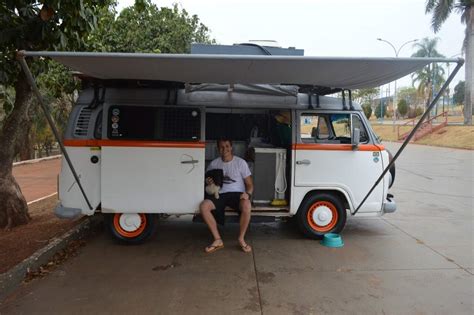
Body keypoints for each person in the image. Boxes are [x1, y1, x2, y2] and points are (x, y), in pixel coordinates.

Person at [200, 138, 254, 253]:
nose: (225, 149)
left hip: (237, 194)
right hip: (220, 194)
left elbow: (249, 184)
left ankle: (241, 238)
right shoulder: (214, 163)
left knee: (247, 205)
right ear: (218, 149)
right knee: (204, 206)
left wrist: (247, 194)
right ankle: (218, 239)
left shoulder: (240, 162)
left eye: (227, 146)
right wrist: (209, 181)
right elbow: (207, 180)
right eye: (221, 147)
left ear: (231, 147)